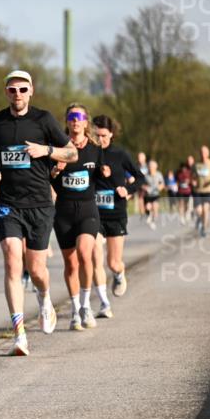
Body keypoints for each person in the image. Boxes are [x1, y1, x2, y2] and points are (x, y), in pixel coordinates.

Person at [0, 70, 77, 356]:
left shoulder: (44, 120)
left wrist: (45, 150)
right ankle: (19, 335)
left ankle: (45, 298)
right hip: (8, 203)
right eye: (12, 90)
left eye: (23, 89)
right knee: (13, 261)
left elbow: (72, 153)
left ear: (31, 90)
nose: (18, 94)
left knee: (36, 269)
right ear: (6, 92)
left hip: (39, 204)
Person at [49, 104, 102, 331]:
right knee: (71, 263)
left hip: (88, 210)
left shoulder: (95, 149)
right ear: (67, 121)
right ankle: (74, 309)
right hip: (64, 212)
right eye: (72, 117)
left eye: (80, 117)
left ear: (86, 121)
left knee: (84, 253)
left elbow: (104, 176)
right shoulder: (58, 149)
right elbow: (47, 179)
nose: (76, 120)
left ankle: (86, 306)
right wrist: (56, 171)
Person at [90, 115, 138, 314]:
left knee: (113, 262)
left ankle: (119, 273)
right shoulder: (90, 153)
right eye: (97, 135)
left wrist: (128, 190)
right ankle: (104, 303)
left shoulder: (120, 154)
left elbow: (140, 178)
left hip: (116, 213)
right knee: (95, 256)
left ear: (111, 134)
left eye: (103, 135)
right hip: (94, 214)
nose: (100, 139)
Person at [193, 145, 210, 237]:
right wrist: (193, 181)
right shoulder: (196, 165)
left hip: (208, 190)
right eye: (201, 153)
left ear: (208, 154)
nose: (203, 154)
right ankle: (199, 219)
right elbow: (192, 177)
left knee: (205, 210)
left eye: (205, 153)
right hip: (198, 191)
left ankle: (203, 229)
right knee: (199, 211)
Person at [142, 159, 165, 231]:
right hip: (148, 195)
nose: (151, 168)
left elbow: (162, 184)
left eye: (152, 167)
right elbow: (142, 184)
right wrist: (145, 188)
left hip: (156, 195)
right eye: (149, 166)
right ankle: (149, 216)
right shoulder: (146, 175)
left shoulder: (159, 174)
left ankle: (153, 221)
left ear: (155, 167)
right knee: (148, 207)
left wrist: (159, 187)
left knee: (155, 207)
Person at [176, 156, 195, 225]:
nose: (183, 169)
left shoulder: (189, 172)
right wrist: (177, 184)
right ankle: (181, 217)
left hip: (188, 191)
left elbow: (193, 180)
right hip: (180, 191)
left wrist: (189, 181)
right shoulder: (178, 173)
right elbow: (176, 181)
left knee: (187, 205)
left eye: (184, 168)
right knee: (181, 204)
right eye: (182, 168)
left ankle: (187, 214)